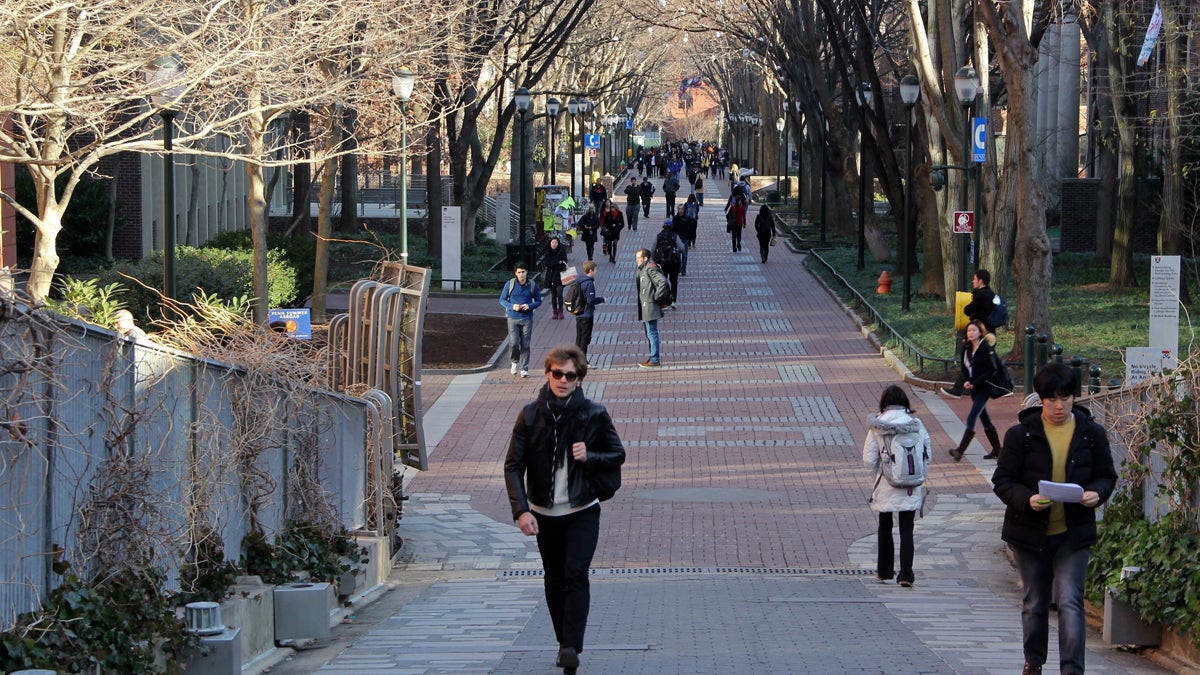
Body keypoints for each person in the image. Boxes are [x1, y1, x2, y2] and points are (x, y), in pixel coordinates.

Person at [504, 345, 626, 675]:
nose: (562, 380)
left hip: (582, 509)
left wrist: (591, 455)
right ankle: (563, 642)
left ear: (578, 379)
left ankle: (571, 646)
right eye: (557, 373)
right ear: (547, 374)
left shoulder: (594, 414)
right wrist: (521, 511)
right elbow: (513, 466)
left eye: (570, 375)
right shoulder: (529, 415)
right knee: (555, 578)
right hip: (544, 513)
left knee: (576, 573)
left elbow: (618, 454)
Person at [992, 363, 1117, 675]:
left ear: (1075, 397)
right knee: (1035, 602)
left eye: (1065, 398)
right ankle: (1033, 662)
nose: (1059, 406)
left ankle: (1072, 670)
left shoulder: (1091, 434)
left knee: (1070, 601)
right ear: (1041, 400)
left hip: (1073, 534)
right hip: (1029, 533)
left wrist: (1096, 494)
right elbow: (1003, 480)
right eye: (1052, 399)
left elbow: (1106, 475)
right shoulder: (1021, 435)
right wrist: (1027, 499)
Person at [862, 385, 930, 588]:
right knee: (907, 528)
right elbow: (926, 453)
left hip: (886, 481)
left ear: (883, 403)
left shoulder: (878, 426)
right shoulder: (916, 424)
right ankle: (906, 574)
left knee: (885, 525)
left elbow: (868, 459)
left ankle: (884, 571)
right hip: (911, 483)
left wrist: (881, 474)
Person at [948, 320, 1004, 461]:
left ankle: (960, 451)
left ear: (980, 332)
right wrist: (967, 380)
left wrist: (975, 382)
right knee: (984, 418)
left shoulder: (986, 348)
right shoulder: (966, 348)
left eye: (974, 330)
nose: (971, 333)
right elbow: (965, 367)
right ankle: (997, 449)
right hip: (973, 388)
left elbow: (992, 369)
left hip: (984, 387)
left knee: (972, 417)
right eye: (969, 331)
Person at [942, 269, 998, 398]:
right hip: (989, 333)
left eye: (974, 279)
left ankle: (957, 389)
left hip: (980, 334)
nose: (973, 281)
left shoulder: (981, 295)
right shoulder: (990, 294)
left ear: (980, 281)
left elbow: (968, 310)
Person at [499, 263, 542, 377]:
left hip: (527, 318)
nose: (521, 274)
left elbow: (538, 300)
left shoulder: (532, 285)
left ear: (527, 272)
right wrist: (512, 306)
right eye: (519, 272)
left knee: (525, 344)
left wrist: (530, 306)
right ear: (515, 273)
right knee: (514, 343)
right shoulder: (510, 284)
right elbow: (502, 300)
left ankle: (524, 368)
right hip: (513, 317)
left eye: (523, 272)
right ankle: (514, 362)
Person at [634, 248, 669, 367]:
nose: (637, 261)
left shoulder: (650, 268)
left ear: (645, 258)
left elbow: (663, 281)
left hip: (650, 306)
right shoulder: (644, 268)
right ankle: (652, 357)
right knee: (649, 332)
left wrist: (656, 297)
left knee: (652, 332)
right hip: (646, 306)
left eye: (638, 258)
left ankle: (654, 359)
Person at [574, 261, 604, 359]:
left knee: (579, 336)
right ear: (590, 270)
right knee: (585, 338)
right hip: (587, 313)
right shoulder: (589, 283)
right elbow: (590, 300)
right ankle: (582, 359)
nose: (596, 271)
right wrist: (602, 299)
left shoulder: (579, 280)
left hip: (578, 312)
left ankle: (576, 358)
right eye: (595, 270)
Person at [653, 220, 684, 306]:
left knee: (663, 281)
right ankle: (673, 300)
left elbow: (653, 249)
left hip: (662, 262)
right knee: (674, 281)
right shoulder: (674, 236)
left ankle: (664, 301)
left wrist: (654, 259)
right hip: (673, 262)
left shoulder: (659, 236)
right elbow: (682, 248)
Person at [599, 200, 625, 264]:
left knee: (615, 244)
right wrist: (610, 225)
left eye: (613, 207)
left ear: (616, 207)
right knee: (610, 245)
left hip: (616, 231)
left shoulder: (619, 214)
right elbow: (605, 223)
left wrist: (618, 228)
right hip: (609, 232)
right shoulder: (608, 214)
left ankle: (614, 258)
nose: (612, 208)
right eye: (611, 207)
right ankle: (610, 255)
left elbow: (622, 224)